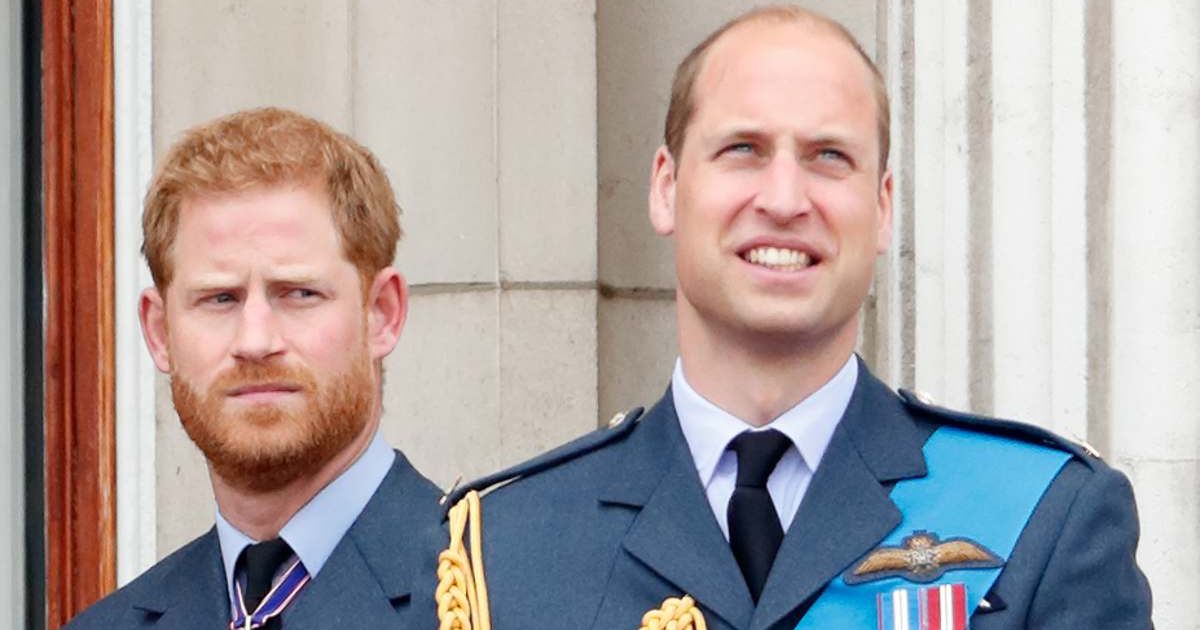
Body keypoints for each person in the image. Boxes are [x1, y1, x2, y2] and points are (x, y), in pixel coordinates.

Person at [440, 6, 1153, 630]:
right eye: (743, 149)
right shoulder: (505, 546)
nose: (785, 198)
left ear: (881, 208)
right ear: (666, 187)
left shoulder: (1045, 518)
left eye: (828, 156)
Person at [67, 108, 443, 629]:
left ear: (382, 313)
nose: (255, 341)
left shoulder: (507, 599)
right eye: (220, 298)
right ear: (158, 333)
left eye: (298, 293)